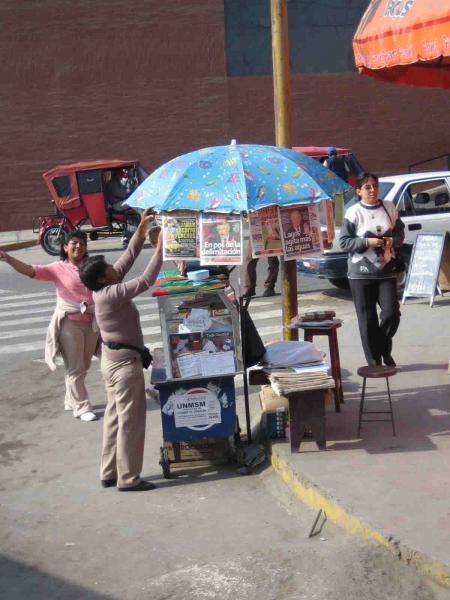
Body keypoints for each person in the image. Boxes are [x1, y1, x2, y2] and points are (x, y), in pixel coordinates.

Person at [79, 210, 163, 491]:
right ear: (103, 279)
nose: (115, 268)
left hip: (112, 362)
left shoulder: (103, 288)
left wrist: (141, 229)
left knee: (115, 418)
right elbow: (147, 279)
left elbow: (127, 258)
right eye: (109, 269)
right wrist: (163, 245)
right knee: (131, 422)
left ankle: (109, 472)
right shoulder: (111, 294)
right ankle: (128, 478)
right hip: (125, 366)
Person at [0, 231, 99, 422]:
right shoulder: (57, 268)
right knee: (75, 367)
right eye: (74, 243)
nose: (78, 247)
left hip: (92, 322)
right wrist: (8, 259)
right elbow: (31, 270)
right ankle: (81, 407)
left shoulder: (91, 266)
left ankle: (71, 399)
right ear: (65, 247)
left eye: (82, 244)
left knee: (84, 365)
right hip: (70, 324)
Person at [339, 172, 405, 367]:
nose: (372, 190)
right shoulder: (353, 212)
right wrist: (366, 241)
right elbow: (344, 242)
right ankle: (374, 360)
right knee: (367, 320)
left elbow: (400, 233)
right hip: (360, 273)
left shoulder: (389, 207)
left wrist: (393, 240)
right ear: (359, 191)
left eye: (375, 186)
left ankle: (383, 347)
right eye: (367, 187)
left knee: (391, 314)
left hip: (386, 270)